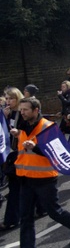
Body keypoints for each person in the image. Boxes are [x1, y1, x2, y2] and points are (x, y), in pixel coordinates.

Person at [13, 97, 70, 247]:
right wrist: (16, 137)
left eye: (25, 109)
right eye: (21, 109)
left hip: (44, 179)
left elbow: (56, 154)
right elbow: (19, 150)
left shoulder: (48, 127)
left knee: (54, 211)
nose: (22, 112)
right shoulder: (21, 125)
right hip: (25, 179)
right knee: (25, 217)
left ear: (36, 110)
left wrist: (35, 148)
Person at [0, 88, 24, 231]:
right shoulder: (8, 113)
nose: (8, 101)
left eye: (11, 99)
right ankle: (41, 207)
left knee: (15, 188)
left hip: (21, 153)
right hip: (13, 154)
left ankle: (11, 219)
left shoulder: (22, 112)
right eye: (6, 98)